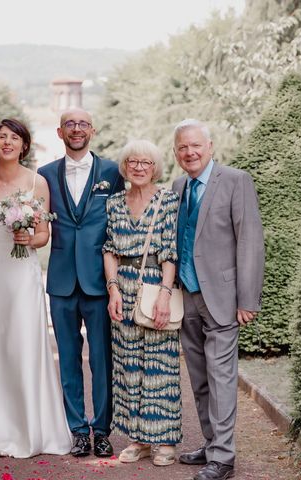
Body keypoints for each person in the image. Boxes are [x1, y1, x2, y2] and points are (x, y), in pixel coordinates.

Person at [0, 118, 71, 457]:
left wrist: (29, 238)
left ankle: (30, 429)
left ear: (24, 145)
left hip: (22, 276)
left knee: (23, 346)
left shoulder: (37, 183)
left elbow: (43, 235)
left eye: (15, 137)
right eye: (2, 137)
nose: (8, 142)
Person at [172, 119, 264, 480]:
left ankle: (223, 459)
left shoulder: (235, 180)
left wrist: (248, 299)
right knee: (199, 378)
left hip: (224, 297)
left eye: (196, 145)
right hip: (187, 296)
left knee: (222, 376)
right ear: (176, 153)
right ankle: (212, 446)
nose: (190, 152)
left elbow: (250, 241)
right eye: (183, 147)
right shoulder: (179, 185)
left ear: (210, 147)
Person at [38, 108, 123, 457]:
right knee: (68, 359)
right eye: (70, 124)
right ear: (60, 132)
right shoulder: (43, 175)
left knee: (102, 359)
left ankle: (102, 429)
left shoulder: (113, 172)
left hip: (99, 282)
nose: (77, 129)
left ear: (93, 130)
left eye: (83, 124)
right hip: (60, 281)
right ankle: (76, 429)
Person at [102, 140, 182, 466]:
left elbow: (170, 251)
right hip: (123, 288)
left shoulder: (168, 200)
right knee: (128, 366)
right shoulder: (114, 203)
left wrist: (165, 293)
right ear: (124, 166)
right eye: (132, 161)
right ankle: (137, 439)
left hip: (155, 288)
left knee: (160, 366)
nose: (138, 167)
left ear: (155, 168)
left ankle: (163, 440)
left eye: (145, 162)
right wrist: (113, 290)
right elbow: (109, 249)